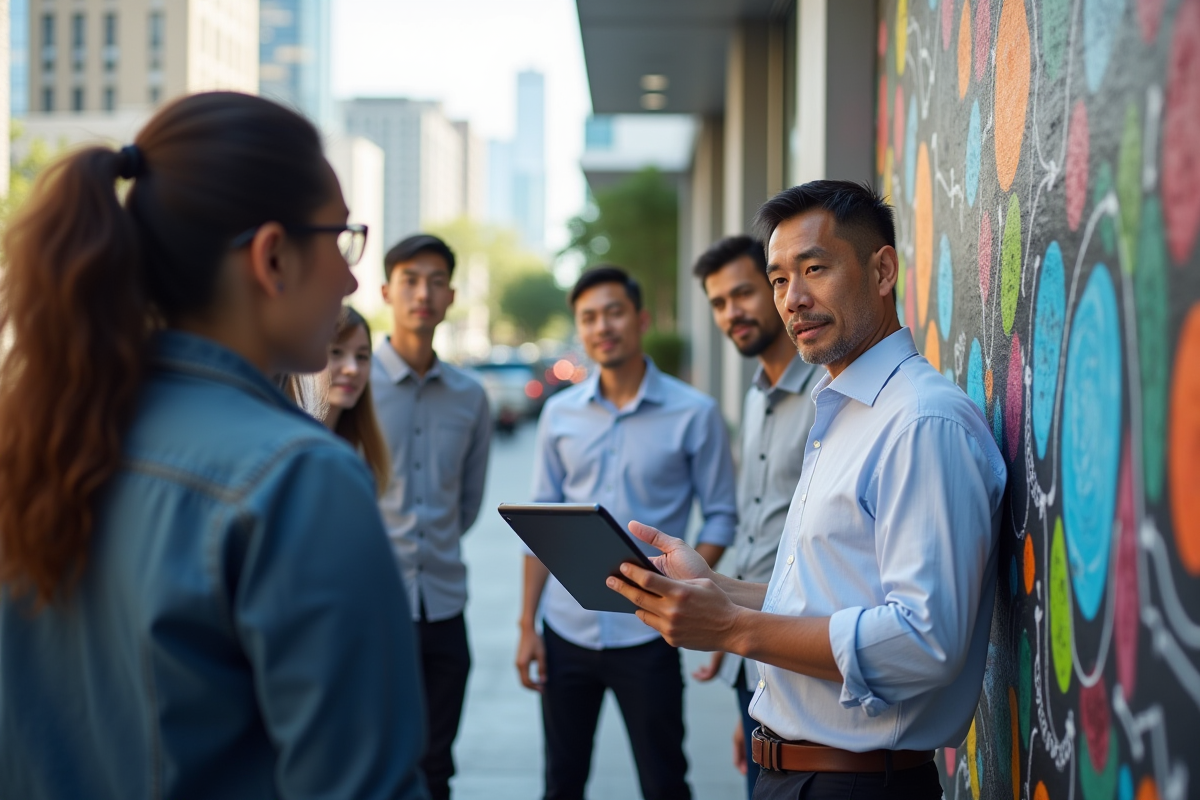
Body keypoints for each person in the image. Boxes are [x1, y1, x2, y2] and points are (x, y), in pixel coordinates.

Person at [0, 92, 427, 799]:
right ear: (272, 256)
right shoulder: (299, 480)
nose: (353, 278)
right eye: (342, 239)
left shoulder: (37, 440)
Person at [608, 181, 1007, 800]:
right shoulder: (843, 410)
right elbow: (831, 594)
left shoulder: (921, 422)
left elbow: (924, 641)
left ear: (882, 270)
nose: (792, 299)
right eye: (777, 279)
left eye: (814, 269)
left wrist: (732, 629)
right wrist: (714, 588)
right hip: (793, 774)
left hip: (859, 784)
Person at [516, 266, 738, 800]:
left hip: (649, 631)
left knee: (665, 782)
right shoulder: (558, 414)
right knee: (561, 782)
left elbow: (721, 514)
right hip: (567, 630)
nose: (602, 326)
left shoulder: (695, 413)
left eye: (613, 312)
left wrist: (683, 589)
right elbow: (538, 525)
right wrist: (528, 624)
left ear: (640, 319)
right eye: (588, 317)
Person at [688, 235, 821, 799]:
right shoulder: (753, 395)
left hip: (808, 648)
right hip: (753, 655)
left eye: (744, 293)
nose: (732, 313)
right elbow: (754, 530)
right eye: (719, 303)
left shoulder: (829, 390)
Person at [371, 233, 492, 800]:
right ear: (386, 292)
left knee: (436, 766)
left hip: (444, 608)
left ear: (450, 296)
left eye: (436, 281)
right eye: (410, 280)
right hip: (370, 608)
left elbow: (465, 505)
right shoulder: (347, 385)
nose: (423, 292)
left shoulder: (470, 397)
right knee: (370, 762)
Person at [313, 305, 392, 494]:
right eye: (336, 352)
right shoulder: (291, 450)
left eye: (362, 357)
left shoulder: (363, 453)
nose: (352, 369)